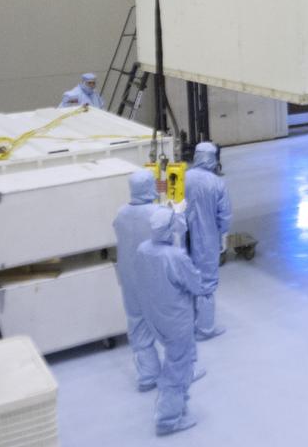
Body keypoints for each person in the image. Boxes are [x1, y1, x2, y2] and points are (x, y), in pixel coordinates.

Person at [134, 206, 203, 436]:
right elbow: (195, 284)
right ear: (168, 228)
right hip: (177, 320)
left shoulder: (143, 249)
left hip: (156, 316)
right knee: (177, 366)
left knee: (176, 361)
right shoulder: (175, 256)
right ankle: (168, 419)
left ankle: (179, 405)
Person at [112, 170, 162, 392]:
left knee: (138, 325)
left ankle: (148, 376)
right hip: (156, 279)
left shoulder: (121, 213)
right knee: (172, 328)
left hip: (130, 278)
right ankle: (180, 374)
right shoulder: (159, 214)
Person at [184, 142, 231, 340]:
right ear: (213, 159)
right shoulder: (217, 183)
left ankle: (187, 323)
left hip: (183, 238)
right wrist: (223, 235)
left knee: (186, 280)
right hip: (207, 238)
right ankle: (205, 329)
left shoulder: (184, 177)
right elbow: (224, 215)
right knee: (206, 283)